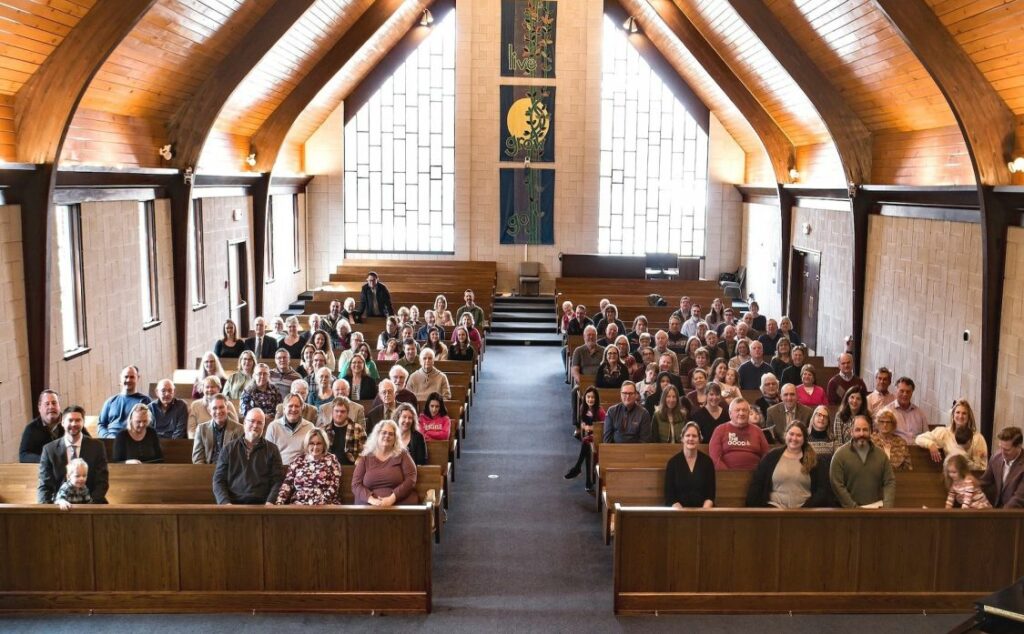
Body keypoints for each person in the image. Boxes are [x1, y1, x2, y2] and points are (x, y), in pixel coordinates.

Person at [746, 422, 832, 508]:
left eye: (799, 435)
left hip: (804, 511)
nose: (794, 438)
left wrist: (807, 508)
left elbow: (822, 490)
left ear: (804, 439)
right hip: (774, 509)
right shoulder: (771, 457)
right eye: (791, 434)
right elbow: (757, 484)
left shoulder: (814, 460)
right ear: (785, 435)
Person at [38, 405, 109, 504]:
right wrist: (46, 509)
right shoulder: (49, 450)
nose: (74, 424)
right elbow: (45, 485)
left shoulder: (97, 446)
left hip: (91, 503)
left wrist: (90, 506)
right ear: (62, 422)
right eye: (70, 420)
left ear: (83, 423)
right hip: (60, 505)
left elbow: (102, 482)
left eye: (78, 420)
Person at [213, 408, 284, 505]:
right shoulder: (228, 449)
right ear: (245, 423)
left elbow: (277, 481)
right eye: (252, 421)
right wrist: (225, 503)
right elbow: (219, 480)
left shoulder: (272, 450)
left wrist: (270, 502)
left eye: (259, 423)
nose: (255, 425)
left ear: (264, 426)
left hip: (263, 506)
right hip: (233, 505)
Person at [829, 415, 896, 508]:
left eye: (865, 430)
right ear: (851, 432)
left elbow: (889, 482)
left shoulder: (881, 455)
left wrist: (887, 508)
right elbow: (837, 484)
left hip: (876, 509)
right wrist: (854, 508)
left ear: (870, 431)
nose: (861, 434)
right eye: (857, 430)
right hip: (848, 511)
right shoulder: (839, 455)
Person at [352, 419, 418, 506]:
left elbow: (411, 479)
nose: (387, 436)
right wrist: (372, 500)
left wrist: (392, 498)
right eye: (384, 433)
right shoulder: (366, 457)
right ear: (377, 435)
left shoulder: (402, 454)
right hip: (369, 505)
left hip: (398, 503)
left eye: (391, 434)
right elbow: (356, 484)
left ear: (395, 438)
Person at [275, 428, 342, 505]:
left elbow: (334, 486)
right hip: (299, 504)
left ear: (324, 444)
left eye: (319, 443)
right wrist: (279, 502)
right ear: (307, 444)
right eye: (312, 443)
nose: (315, 447)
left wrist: (319, 503)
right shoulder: (298, 460)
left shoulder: (332, 460)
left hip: (325, 504)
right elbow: (287, 484)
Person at [915, 399, 988, 471]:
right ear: (953, 415)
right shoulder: (944, 433)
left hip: (970, 475)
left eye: (964, 413)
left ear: (969, 417)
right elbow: (919, 438)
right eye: (958, 412)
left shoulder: (977, 438)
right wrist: (930, 444)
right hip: (950, 474)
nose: (960, 416)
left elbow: (982, 467)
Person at [664, 422, 716, 508]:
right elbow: (670, 497)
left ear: (699, 439)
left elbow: (710, 495)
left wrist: (703, 513)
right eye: (687, 435)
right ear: (682, 438)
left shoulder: (707, 462)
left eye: (694, 436)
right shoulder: (673, 463)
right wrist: (682, 514)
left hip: (703, 511)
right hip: (679, 512)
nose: (691, 438)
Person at [708, 398, 769, 470]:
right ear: (730, 414)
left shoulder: (758, 431)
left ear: (748, 413)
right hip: (726, 475)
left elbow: (766, 456)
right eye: (737, 410)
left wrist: (759, 472)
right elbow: (715, 458)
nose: (741, 413)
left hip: (755, 473)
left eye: (744, 410)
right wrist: (728, 473)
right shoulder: (720, 430)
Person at [565, 387, 605, 490]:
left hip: (600, 436)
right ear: (585, 398)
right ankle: (588, 482)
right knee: (587, 450)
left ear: (596, 399)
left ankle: (578, 467)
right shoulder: (583, 407)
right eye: (588, 397)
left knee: (585, 441)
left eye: (593, 397)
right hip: (590, 437)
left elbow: (604, 427)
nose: (590, 399)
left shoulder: (600, 411)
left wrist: (590, 428)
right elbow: (583, 422)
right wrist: (584, 426)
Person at [97, 366, 151, 438]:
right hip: (111, 440)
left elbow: (150, 425)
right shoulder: (110, 402)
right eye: (126, 377)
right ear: (121, 378)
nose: (128, 380)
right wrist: (108, 436)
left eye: (132, 377)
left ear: (138, 378)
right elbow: (101, 425)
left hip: (134, 440)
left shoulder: (145, 401)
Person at [979, 426, 1024, 508]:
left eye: (1007, 450)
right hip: (997, 508)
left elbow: (1019, 499)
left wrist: (1000, 514)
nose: (1002, 453)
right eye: (1000, 447)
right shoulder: (996, 457)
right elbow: (984, 482)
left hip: (1017, 512)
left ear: (1019, 447)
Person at [265, 394, 316, 466]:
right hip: (279, 468)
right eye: (290, 406)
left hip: (302, 468)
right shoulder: (273, 426)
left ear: (302, 409)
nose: (293, 409)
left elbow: (314, 453)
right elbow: (267, 454)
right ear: (284, 409)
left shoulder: (310, 427)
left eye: (297, 406)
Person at [192, 394, 243, 465]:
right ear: (209, 411)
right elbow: (198, 458)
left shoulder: (239, 429)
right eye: (214, 408)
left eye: (221, 407)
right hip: (206, 468)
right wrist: (204, 470)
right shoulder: (201, 429)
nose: (218, 411)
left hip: (229, 469)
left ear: (227, 409)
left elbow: (240, 457)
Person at [20, 390, 66, 463]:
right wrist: (44, 459)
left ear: (59, 406)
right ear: (39, 408)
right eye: (47, 404)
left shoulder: (72, 422)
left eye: (54, 403)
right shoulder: (31, 429)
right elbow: (23, 456)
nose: (51, 407)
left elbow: (86, 445)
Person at [879, 376, 929, 443]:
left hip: (916, 448)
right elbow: (882, 436)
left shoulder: (920, 413)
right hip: (896, 447)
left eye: (908, 392)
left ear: (912, 393)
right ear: (896, 391)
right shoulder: (887, 411)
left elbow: (927, 436)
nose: (905, 394)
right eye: (902, 391)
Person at [321, 398, 367, 465]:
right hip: (330, 466)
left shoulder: (358, 428)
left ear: (347, 413)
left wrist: (359, 459)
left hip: (351, 466)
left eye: (342, 411)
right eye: (336, 411)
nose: (339, 414)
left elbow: (365, 450)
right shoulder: (324, 430)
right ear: (332, 412)